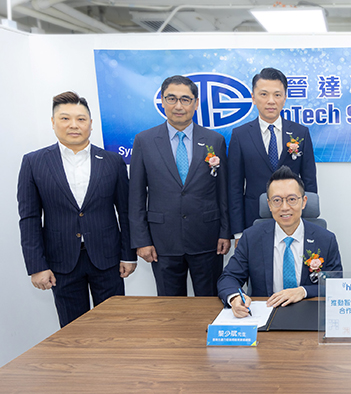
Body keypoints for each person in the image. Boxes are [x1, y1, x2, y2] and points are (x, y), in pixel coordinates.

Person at [18, 91, 137, 327]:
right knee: (73, 330)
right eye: (65, 118)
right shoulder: (34, 162)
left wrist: (128, 255)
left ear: (90, 124)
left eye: (81, 119)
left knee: (115, 326)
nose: (74, 125)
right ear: (53, 123)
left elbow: (125, 212)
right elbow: (29, 218)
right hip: (61, 262)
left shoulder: (112, 161)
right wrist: (37, 266)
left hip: (107, 259)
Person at [129, 75, 231, 296]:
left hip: (207, 239)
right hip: (162, 241)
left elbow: (223, 192)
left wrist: (225, 232)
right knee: (170, 309)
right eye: (172, 98)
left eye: (185, 99)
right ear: (162, 102)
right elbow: (136, 195)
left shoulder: (215, 140)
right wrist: (141, 240)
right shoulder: (144, 141)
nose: (178, 105)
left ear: (195, 103)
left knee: (210, 303)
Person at [218, 166, 341, 318]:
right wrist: (235, 298)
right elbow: (228, 277)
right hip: (265, 314)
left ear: (303, 202)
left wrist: (303, 291)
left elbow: (335, 284)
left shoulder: (325, 239)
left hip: (309, 315)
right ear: (269, 204)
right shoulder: (251, 238)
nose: (284, 207)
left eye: (291, 199)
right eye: (277, 200)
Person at [228, 67, 317, 241]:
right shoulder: (240, 135)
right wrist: (238, 232)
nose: (271, 101)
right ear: (253, 98)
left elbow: (310, 183)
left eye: (277, 95)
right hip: (253, 220)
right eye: (264, 94)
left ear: (285, 98)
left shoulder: (300, 133)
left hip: (292, 218)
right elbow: (234, 188)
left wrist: (307, 222)